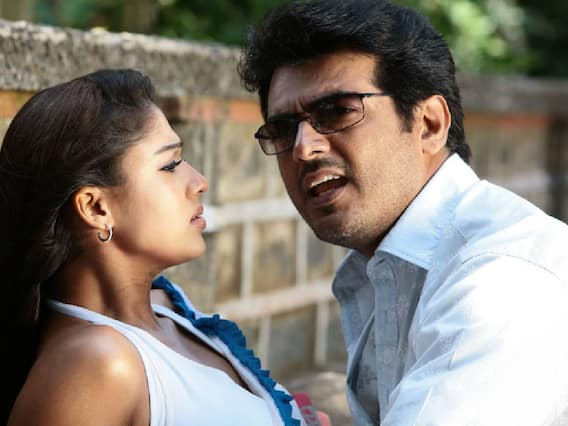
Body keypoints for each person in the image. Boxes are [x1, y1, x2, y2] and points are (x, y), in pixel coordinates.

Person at [239, 0, 568, 424]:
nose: (304, 147)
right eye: (283, 129)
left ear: (429, 124)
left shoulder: (499, 283)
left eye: (337, 111)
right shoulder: (389, 265)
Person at [0, 69, 308, 425]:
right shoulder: (99, 365)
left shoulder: (166, 306)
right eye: (170, 165)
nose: (199, 182)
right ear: (96, 208)